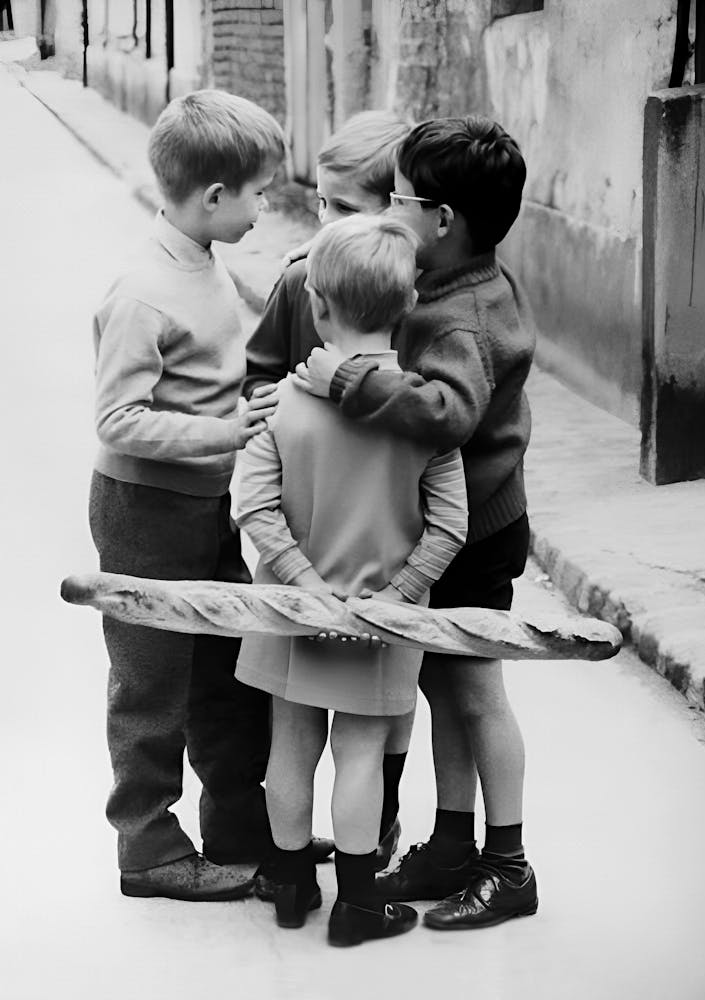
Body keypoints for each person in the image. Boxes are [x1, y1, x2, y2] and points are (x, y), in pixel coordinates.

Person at [296, 116, 539, 930]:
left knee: (475, 694)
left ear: (441, 219)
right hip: (460, 524)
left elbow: (451, 412)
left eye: (396, 199)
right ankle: (453, 842)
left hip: (473, 535)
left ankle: (508, 864)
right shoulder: (450, 284)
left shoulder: (462, 315)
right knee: (442, 687)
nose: (385, 210)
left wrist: (350, 383)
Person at [234, 214, 468, 946]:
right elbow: (450, 525)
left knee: (292, 745)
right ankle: (360, 904)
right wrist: (393, 600)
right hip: (382, 622)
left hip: (289, 611)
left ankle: (290, 883)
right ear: (405, 308)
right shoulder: (420, 415)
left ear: (318, 306)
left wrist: (307, 587)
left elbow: (254, 506)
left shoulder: (284, 406)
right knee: (362, 751)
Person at [89, 89, 289, 900]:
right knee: (151, 682)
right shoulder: (141, 292)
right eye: (259, 192)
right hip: (144, 512)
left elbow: (211, 383)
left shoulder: (205, 263)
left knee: (225, 666)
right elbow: (118, 418)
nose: (267, 205)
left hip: (203, 505)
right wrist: (226, 433)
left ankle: (238, 826)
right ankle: (148, 848)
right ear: (214, 197)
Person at [243, 109, 413, 874]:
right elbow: (257, 379)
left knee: (365, 738)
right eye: (320, 203)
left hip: (349, 567)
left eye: (344, 209)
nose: (324, 226)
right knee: (341, 738)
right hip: (330, 568)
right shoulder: (298, 280)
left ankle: (369, 839)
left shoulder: (415, 296)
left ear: (395, 211)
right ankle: (354, 880)